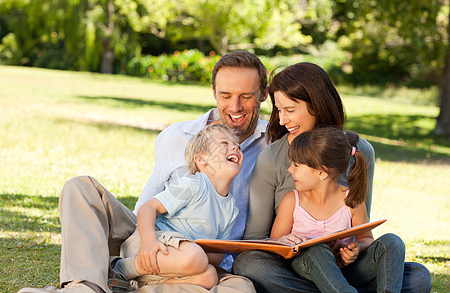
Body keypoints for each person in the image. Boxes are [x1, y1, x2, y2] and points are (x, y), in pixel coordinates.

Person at [18, 50, 268, 293]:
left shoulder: (276, 145)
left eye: (246, 96)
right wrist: (147, 245)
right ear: (213, 92)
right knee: (80, 187)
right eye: (225, 95)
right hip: (150, 236)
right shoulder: (176, 135)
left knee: (240, 288)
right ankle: (87, 287)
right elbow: (147, 204)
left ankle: (132, 286)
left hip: (196, 263)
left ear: (264, 95)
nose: (235, 106)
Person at [232, 62, 431, 292]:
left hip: (347, 270)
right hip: (295, 269)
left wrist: (352, 250)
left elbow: (360, 232)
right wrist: (284, 243)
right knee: (249, 265)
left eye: (290, 110)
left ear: (317, 105)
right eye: (279, 110)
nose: (283, 120)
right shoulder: (272, 159)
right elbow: (254, 241)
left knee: (417, 278)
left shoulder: (359, 151)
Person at [271, 126, 405, 292]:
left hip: (346, 273)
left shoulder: (351, 200)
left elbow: (366, 239)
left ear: (322, 173)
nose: (290, 170)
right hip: (304, 273)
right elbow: (275, 243)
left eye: (296, 165)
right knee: (317, 250)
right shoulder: (292, 200)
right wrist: (287, 242)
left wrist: (356, 249)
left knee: (393, 242)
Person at [109, 124, 242, 290]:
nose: (235, 147)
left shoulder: (231, 209)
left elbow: (214, 258)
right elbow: (148, 208)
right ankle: (120, 268)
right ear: (201, 160)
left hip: (178, 262)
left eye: (237, 145)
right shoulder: (193, 185)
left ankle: (139, 283)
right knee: (196, 257)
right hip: (150, 245)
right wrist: (149, 242)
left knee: (210, 276)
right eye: (224, 144)